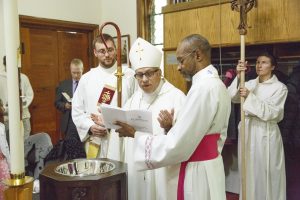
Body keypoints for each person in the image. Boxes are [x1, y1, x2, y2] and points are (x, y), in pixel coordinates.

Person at [115, 34, 231, 200]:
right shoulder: (215, 84)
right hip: (209, 165)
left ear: (197, 55)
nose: (178, 67)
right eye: (139, 75)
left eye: (181, 60)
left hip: (198, 170)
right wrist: (170, 128)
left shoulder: (203, 89)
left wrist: (135, 134)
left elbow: (177, 144)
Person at [122, 38, 186, 200]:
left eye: (149, 73)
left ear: (159, 72)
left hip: (163, 172)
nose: (144, 80)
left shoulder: (176, 97)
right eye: (139, 75)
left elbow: (185, 138)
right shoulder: (134, 99)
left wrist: (170, 127)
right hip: (137, 168)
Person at [227, 52, 287, 200]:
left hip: (266, 132)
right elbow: (231, 96)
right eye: (258, 62)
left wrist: (249, 96)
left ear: (273, 66)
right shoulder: (250, 84)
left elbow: (272, 112)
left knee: (266, 171)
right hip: (248, 130)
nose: (259, 65)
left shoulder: (280, 88)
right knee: (248, 170)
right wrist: (239, 76)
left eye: (264, 62)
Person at [72, 33, 136, 159]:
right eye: (102, 51)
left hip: (123, 139)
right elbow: (77, 110)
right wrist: (90, 127)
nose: (107, 55)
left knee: (123, 175)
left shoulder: (129, 76)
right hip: (97, 140)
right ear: (95, 53)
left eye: (110, 50)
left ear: (116, 50)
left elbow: (138, 106)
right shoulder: (86, 79)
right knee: (97, 176)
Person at [0, 56, 34, 140]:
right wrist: (5, 108)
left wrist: (20, 105)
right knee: (10, 145)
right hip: (7, 118)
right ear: (5, 65)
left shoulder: (23, 77)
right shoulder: (0, 78)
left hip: (23, 117)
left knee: (25, 144)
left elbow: (29, 95)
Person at [55, 58, 83, 140]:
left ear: (82, 70)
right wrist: (65, 105)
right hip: (69, 121)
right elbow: (57, 102)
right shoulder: (63, 85)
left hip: (84, 121)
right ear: (70, 70)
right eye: (73, 73)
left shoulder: (88, 84)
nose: (76, 75)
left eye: (78, 73)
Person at [0, 99, 10, 200]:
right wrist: (11, 166)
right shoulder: (0, 128)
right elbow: (4, 149)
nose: (4, 108)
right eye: (2, 106)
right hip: (1, 165)